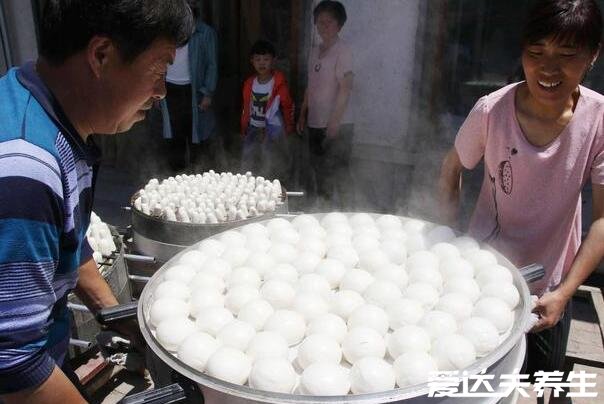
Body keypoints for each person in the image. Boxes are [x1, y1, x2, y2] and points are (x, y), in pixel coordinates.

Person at [0, 1, 193, 402]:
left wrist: (119, 317)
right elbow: (13, 363)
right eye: (159, 70)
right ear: (101, 55)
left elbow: (66, 239)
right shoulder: (25, 168)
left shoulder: (39, 103)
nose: (161, 92)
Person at [439, 0, 604, 395]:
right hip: (480, 279)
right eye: (536, 53)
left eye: (566, 55)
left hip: (550, 283)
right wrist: (446, 243)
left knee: (535, 382)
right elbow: (450, 171)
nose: (548, 69)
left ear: (592, 57)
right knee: (475, 380)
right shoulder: (491, 112)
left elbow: (602, 219)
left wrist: (565, 293)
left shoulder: (598, 121)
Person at [297, 0, 354, 209]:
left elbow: (346, 87)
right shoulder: (314, 51)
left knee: (337, 172)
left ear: (339, 25)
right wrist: (303, 114)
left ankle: (344, 213)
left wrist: (335, 121)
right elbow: (310, 86)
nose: (322, 27)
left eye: (328, 23)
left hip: (337, 125)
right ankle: (324, 211)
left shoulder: (343, 50)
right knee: (318, 169)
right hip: (315, 122)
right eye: (319, 22)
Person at [160, 0, 219, 173]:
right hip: (169, 90)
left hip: (194, 91)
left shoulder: (205, 33)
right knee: (174, 136)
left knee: (196, 136)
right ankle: (176, 179)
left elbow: (212, 65)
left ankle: (197, 177)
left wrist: (208, 92)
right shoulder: (167, 32)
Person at [241, 40, 295, 181]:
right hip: (253, 127)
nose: (262, 63)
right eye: (258, 59)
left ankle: (272, 187)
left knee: (270, 160)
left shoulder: (278, 84)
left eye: (266, 59)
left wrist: (289, 126)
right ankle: (249, 187)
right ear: (252, 61)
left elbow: (287, 106)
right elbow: (246, 106)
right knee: (248, 159)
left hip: (271, 130)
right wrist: (244, 126)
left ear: (274, 60)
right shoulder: (249, 83)